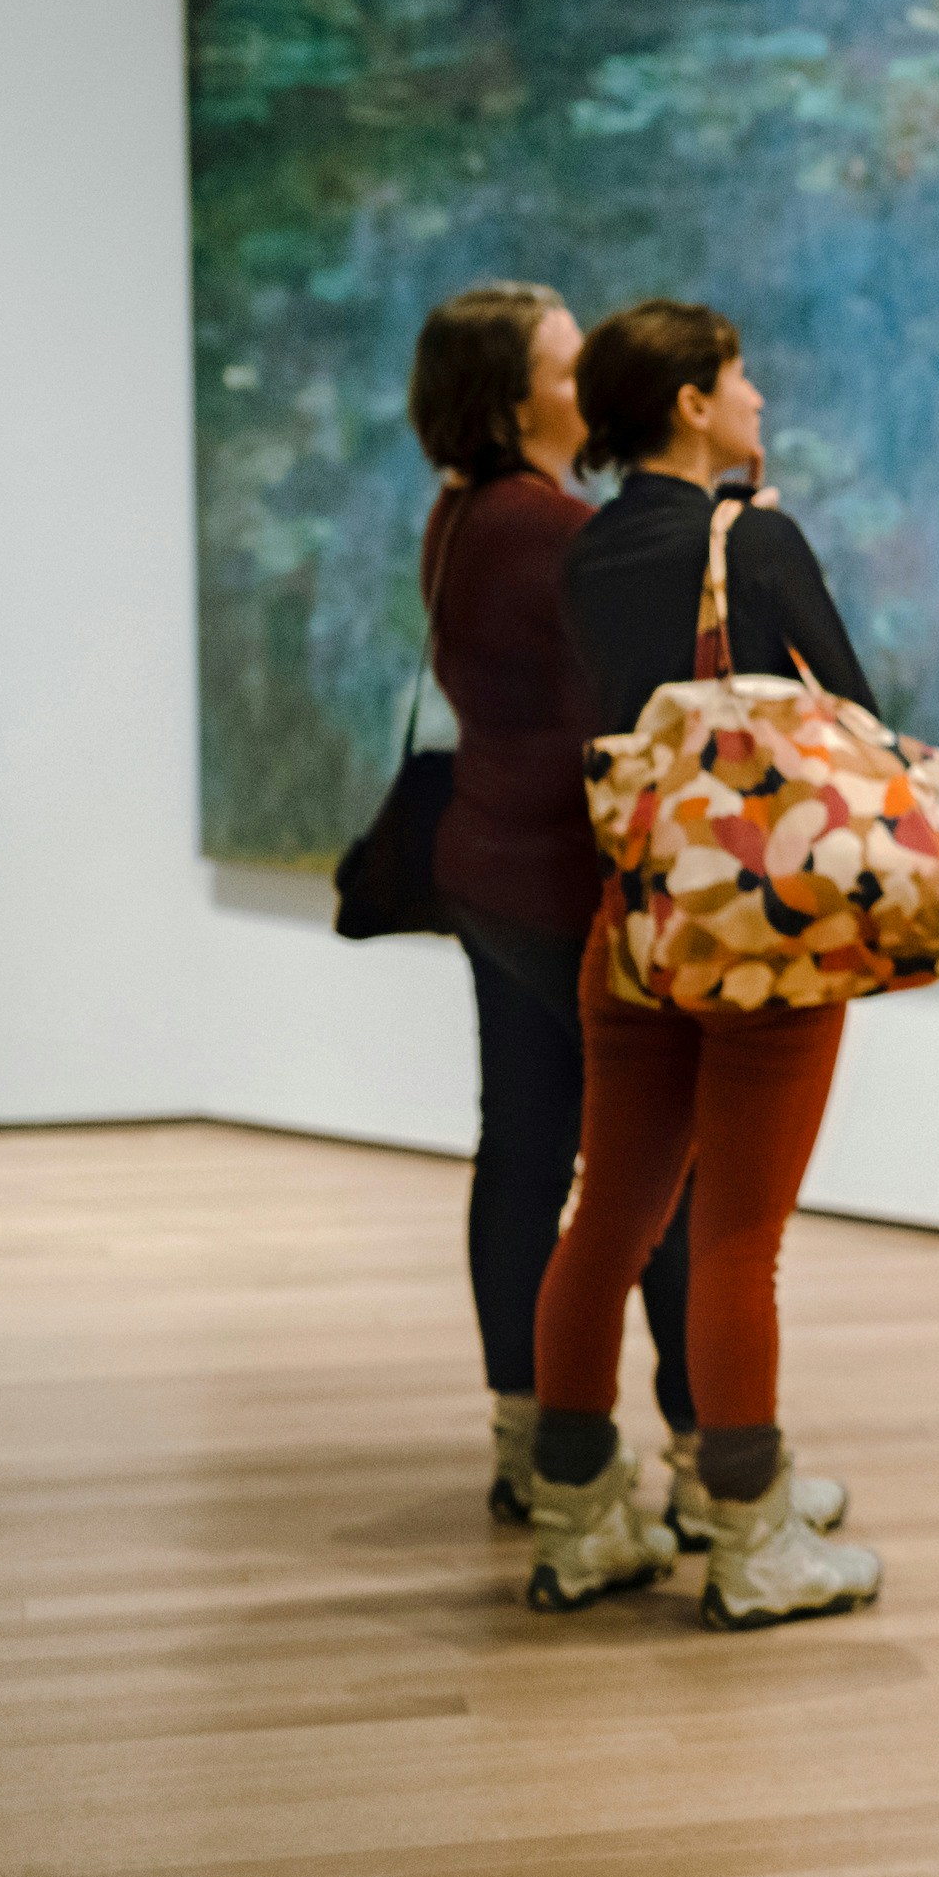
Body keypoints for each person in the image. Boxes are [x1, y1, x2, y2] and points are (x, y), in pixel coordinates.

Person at [519, 298, 879, 1629]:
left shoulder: (587, 550)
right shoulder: (754, 537)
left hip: (635, 923)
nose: (756, 397)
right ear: (688, 403)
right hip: (760, 928)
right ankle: (748, 1531)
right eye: (737, 377)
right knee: (737, 1237)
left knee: (606, 1218)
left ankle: (576, 1515)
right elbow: (853, 714)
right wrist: (767, 551)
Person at [402, 282, 699, 1529]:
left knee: (522, 1149)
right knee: (661, 1167)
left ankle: (528, 1435)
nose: (593, 379)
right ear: (514, 400)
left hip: (491, 871)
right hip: (569, 887)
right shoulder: (555, 531)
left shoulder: (462, 516)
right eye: (569, 364)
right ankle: (713, 1449)